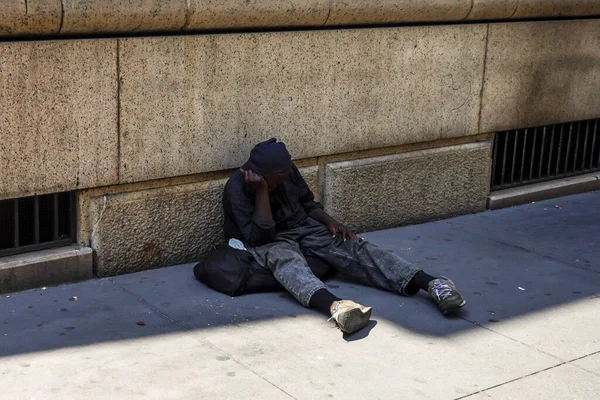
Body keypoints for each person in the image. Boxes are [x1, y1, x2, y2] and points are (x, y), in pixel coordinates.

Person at [223, 138, 466, 334]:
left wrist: (332, 223)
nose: (281, 182)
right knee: (287, 262)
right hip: (269, 240)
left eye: (282, 178)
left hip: (302, 226)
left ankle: (433, 283)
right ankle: (338, 308)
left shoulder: (284, 171)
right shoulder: (238, 187)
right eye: (275, 181)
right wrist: (262, 192)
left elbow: (307, 203)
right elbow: (259, 238)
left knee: (353, 246)